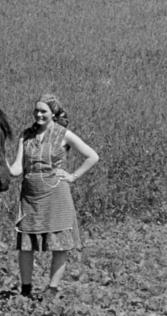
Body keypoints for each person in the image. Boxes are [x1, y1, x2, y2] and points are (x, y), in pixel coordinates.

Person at [7, 94, 99, 299]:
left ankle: (52, 289)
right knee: (26, 244)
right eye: (36, 110)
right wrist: (2, 168)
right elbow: (17, 167)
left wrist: (72, 176)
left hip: (56, 194)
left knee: (60, 244)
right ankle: (26, 289)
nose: (38, 115)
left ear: (53, 114)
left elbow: (92, 156)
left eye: (44, 111)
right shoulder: (25, 135)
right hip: (30, 196)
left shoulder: (64, 134)